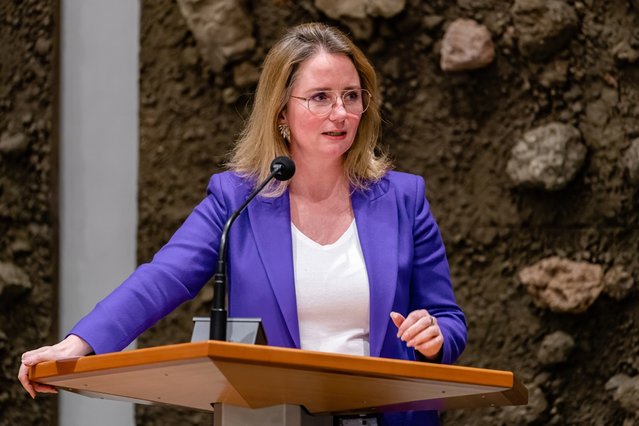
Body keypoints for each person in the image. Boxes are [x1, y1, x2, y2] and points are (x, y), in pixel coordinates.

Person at [19, 22, 467, 425]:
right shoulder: (238, 199)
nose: (341, 113)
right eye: (320, 97)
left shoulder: (403, 200)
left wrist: (434, 335)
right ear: (280, 112)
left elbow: (448, 321)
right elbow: (163, 278)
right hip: (276, 418)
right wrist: (79, 343)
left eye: (352, 96)